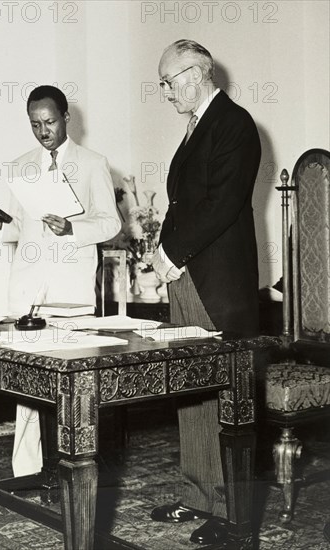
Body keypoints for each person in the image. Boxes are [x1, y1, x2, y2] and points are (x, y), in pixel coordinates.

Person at [0, 85, 121, 477]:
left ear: (66, 119)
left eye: (50, 122)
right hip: (27, 287)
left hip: (70, 289)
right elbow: (17, 227)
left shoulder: (93, 163)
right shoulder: (22, 164)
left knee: (74, 384)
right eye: (35, 124)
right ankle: (27, 472)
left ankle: (75, 468)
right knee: (29, 385)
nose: (44, 132)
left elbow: (111, 222)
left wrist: (71, 227)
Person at [150, 40, 261, 546]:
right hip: (186, 275)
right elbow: (181, 202)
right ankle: (196, 495)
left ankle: (230, 510)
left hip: (218, 283)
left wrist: (174, 254)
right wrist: (160, 251)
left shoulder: (235, 125)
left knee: (224, 397)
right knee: (190, 388)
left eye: (168, 82)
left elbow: (221, 205)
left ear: (195, 74)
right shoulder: (196, 129)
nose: (166, 92)